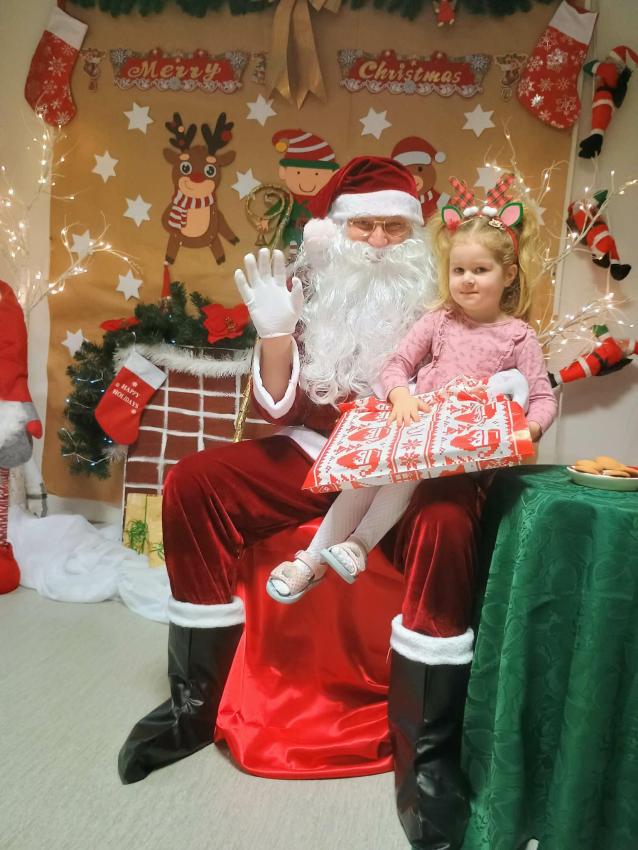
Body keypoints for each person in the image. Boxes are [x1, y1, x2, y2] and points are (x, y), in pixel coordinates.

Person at [117, 157, 529, 850]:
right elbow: (277, 410)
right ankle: (194, 706)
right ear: (334, 233)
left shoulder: (449, 300)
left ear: (416, 235)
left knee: (446, 522)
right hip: (317, 447)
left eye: (393, 227)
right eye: (363, 226)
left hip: (416, 460)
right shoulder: (309, 290)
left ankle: (426, 756)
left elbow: (500, 367)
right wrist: (276, 335)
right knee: (194, 481)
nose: (378, 242)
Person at [268, 178, 557, 594]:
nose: (467, 280)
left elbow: (542, 396)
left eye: (481, 270)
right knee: (367, 477)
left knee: (404, 474)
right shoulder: (439, 320)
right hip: (419, 423)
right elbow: (398, 364)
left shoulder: (518, 336)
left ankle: (358, 545)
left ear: (508, 274)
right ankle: (310, 561)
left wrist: (532, 426)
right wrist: (400, 394)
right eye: (458, 270)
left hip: (462, 442)